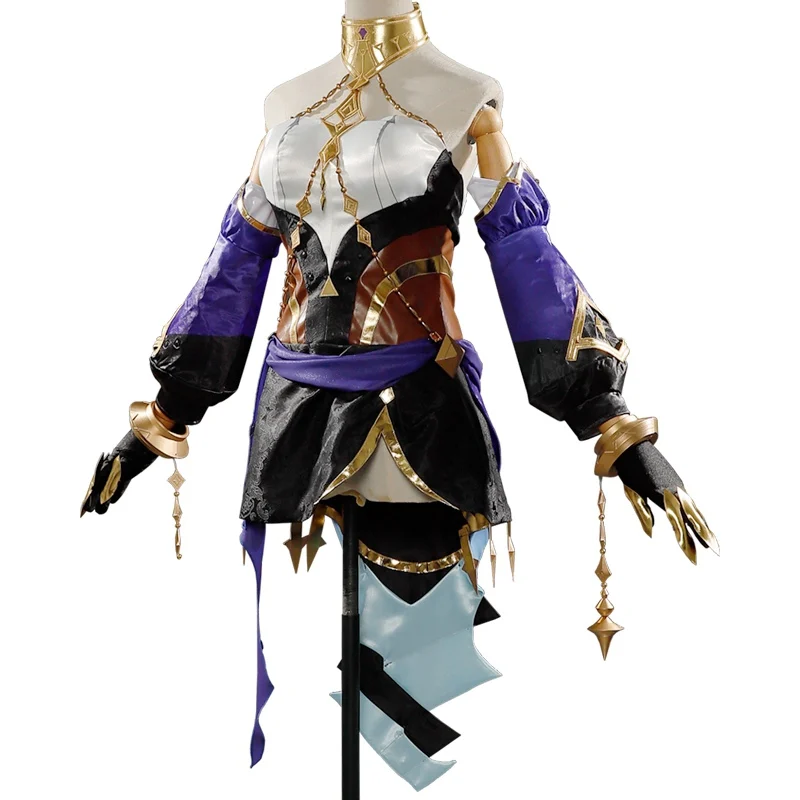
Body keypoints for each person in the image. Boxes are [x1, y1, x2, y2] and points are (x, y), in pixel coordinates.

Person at [80, 1, 717, 790]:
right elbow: (238, 259)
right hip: (291, 407)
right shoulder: (284, 100)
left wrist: (608, 418)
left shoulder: (467, 95)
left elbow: (522, 250)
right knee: (318, 642)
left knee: (400, 648)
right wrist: (165, 414)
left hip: (411, 405)